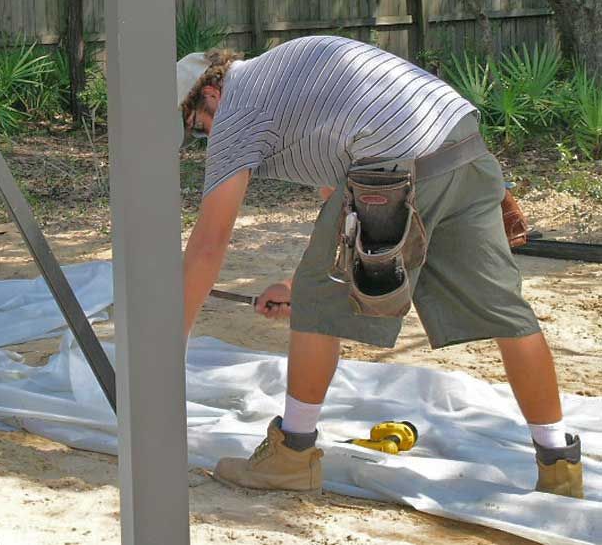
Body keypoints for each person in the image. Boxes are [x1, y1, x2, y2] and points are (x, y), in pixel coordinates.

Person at [178, 36, 583, 499]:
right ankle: (559, 466)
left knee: (317, 301)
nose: (206, 138)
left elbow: (208, 246)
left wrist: (169, 352)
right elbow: (339, 200)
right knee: (507, 312)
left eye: (198, 128)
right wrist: (297, 284)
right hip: (461, 140)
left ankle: (292, 457)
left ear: (209, 95)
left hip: (396, 156)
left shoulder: (238, 109)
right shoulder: (281, 80)